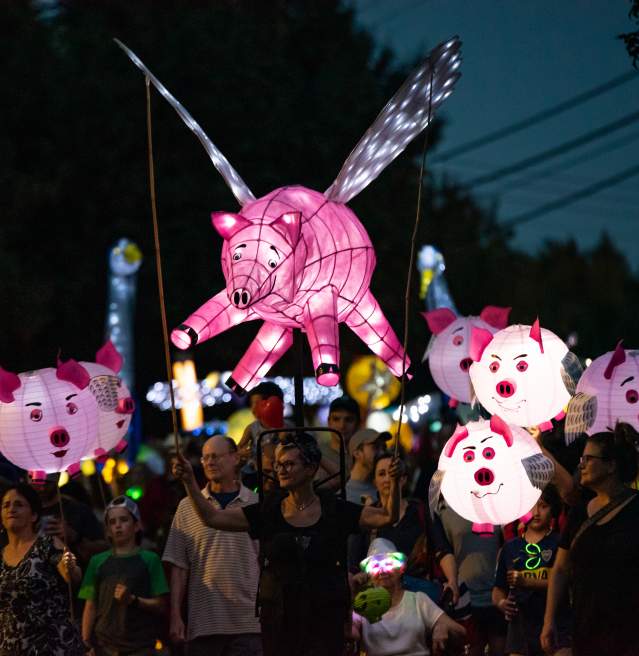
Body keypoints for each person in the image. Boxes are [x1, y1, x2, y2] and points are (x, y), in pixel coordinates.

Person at [172, 431, 402, 656]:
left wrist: (394, 483)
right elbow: (213, 518)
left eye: (289, 464)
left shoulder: (334, 509)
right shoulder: (269, 510)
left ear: (311, 469)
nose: (281, 469)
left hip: (325, 621)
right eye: (279, 464)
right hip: (279, 621)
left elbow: (386, 516)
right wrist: (190, 481)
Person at [541, 423, 639, 656]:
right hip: (586, 626)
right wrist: (549, 621)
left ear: (611, 466)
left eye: (588, 459)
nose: (580, 464)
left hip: (630, 631)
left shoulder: (635, 509)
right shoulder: (580, 511)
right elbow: (561, 569)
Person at [163, 435, 262, 655]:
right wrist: (176, 616)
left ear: (235, 458)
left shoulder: (255, 504)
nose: (209, 462)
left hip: (248, 623)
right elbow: (179, 566)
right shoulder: (187, 507)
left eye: (216, 456)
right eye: (205, 457)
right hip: (204, 624)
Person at [0, 483, 84, 655]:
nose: (11, 509)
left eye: (19, 504)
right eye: (6, 505)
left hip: (53, 646)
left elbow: (73, 576)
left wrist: (70, 567)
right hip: (11, 647)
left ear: (34, 515)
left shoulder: (48, 544)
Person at [79, 495, 168, 656]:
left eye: (124, 520)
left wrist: (133, 600)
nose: (118, 526)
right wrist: (85, 642)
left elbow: (161, 605)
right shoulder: (97, 562)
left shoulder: (150, 559)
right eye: (112, 522)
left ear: (136, 525)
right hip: (104, 646)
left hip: (140, 645)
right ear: (107, 530)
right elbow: (90, 605)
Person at [492, 485, 571, 656]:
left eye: (543, 506)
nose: (536, 512)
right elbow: (498, 590)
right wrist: (501, 603)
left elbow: (565, 583)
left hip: (556, 625)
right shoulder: (510, 547)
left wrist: (528, 582)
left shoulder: (560, 544)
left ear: (553, 510)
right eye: (530, 506)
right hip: (520, 630)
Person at [352, 538, 466, 655]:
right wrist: (351, 591)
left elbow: (460, 631)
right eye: (375, 566)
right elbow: (350, 630)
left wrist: (441, 627)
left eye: (389, 564)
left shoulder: (418, 600)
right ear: (369, 574)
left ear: (401, 569)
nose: (382, 571)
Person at [433, 500, 506, 656]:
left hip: (498, 597)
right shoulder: (443, 510)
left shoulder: (499, 503)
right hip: (465, 600)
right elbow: (442, 551)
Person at [34, 475, 108, 569]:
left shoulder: (77, 510)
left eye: (48, 483)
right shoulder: (26, 512)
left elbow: (104, 548)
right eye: (38, 482)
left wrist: (75, 537)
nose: (42, 488)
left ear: (56, 479)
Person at [345, 428, 385, 504]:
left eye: (384, 448)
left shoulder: (383, 489)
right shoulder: (343, 493)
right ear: (357, 453)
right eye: (376, 447)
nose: (382, 453)